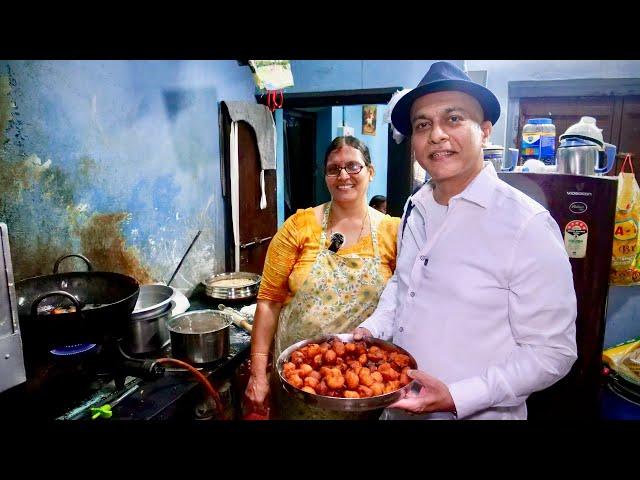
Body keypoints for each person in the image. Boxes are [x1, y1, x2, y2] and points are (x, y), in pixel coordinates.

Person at [353, 61, 578, 420]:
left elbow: (553, 352)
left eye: (453, 119)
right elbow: (405, 285)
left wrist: (458, 396)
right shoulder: (416, 206)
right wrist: (372, 328)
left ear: (485, 131)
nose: (437, 134)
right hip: (397, 410)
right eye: (422, 125)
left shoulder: (526, 225)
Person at [245, 135, 401, 419]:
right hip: (299, 381)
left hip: (365, 385)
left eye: (353, 166)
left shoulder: (394, 232)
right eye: (334, 169)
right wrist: (258, 374)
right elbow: (268, 302)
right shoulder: (299, 226)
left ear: (371, 171)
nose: (343, 176)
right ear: (325, 175)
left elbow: (408, 298)